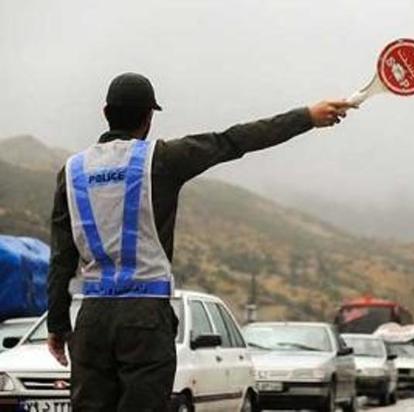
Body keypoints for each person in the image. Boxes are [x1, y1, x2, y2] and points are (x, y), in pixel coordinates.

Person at [46, 72, 355, 411]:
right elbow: (233, 141)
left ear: (106, 112)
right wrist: (307, 117)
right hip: (144, 319)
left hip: (92, 318)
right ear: (149, 118)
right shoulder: (161, 159)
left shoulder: (72, 171)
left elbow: (62, 257)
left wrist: (58, 325)